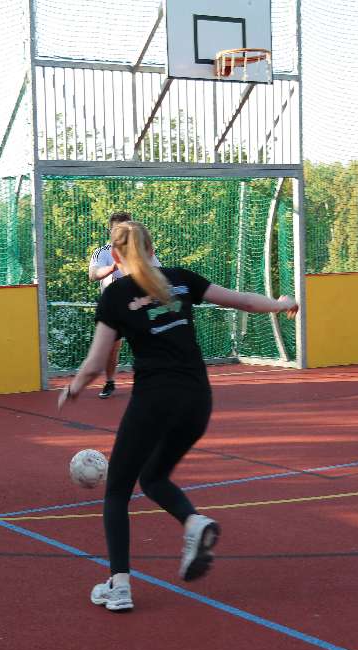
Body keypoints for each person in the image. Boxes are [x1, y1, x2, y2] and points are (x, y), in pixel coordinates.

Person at [59, 220, 298, 612]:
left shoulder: (117, 293)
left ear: (116, 258)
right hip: (198, 400)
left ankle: (119, 586)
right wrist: (282, 302)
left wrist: (72, 389)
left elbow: (96, 361)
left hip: (155, 399)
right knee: (152, 477)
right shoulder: (181, 279)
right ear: (153, 249)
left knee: (118, 490)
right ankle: (193, 522)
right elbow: (242, 300)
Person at [87, 211, 160, 398]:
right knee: (112, 348)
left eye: (127, 228)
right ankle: (109, 382)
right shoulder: (103, 252)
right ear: (110, 230)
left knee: (149, 343)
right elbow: (93, 274)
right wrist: (113, 268)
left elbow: (158, 271)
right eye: (118, 229)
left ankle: (152, 381)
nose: (123, 232)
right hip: (115, 309)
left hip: (140, 304)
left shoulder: (143, 250)